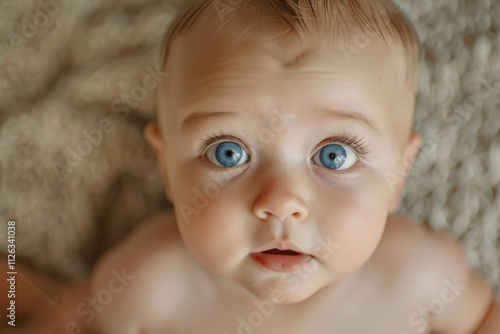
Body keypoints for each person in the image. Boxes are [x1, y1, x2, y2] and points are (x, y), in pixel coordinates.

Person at [8, 0, 500, 333]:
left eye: (336, 156)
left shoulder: (420, 274)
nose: (282, 201)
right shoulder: (152, 282)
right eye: (228, 152)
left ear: (399, 174)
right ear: (167, 168)